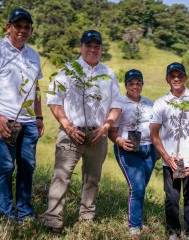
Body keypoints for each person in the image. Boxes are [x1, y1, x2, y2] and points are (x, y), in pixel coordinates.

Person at [44, 30, 122, 232]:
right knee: (61, 177)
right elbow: (54, 101)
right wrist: (67, 126)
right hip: (71, 134)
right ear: (81, 47)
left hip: (98, 134)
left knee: (92, 179)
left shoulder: (109, 74)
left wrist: (106, 126)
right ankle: (53, 221)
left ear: (101, 49)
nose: (93, 49)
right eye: (89, 45)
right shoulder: (67, 71)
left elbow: (116, 105)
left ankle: (86, 218)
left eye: (97, 46)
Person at [0, 8, 44, 222]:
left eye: (26, 27)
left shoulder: (33, 55)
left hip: (29, 122)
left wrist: (39, 117)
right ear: (9, 27)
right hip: (5, 119)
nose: (22, 30)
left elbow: (37, 88)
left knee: (28, 166)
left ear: (31, 31)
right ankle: (6, 214)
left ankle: (25, 212)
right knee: (6, 166)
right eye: (18, 26)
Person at [150, 62, 189, 240]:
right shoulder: (161, 103)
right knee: (171, 199)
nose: (176, 79)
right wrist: (167, 157)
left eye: (180, 76)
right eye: (172, 76)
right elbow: (154, 133)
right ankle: (173, 232)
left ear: (185, 78)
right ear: (167, 79)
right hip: (171, 161)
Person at [108, 69, 157, 237]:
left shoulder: (149, 103)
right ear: (126, 85)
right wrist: (120, 141)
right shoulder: (119, 103)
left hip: (149, 149)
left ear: (142, 84)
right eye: (131, 83)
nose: (135, 86)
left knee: (142, 187)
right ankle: (134, 225)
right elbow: (111, 131)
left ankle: (139, 219)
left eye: (138, 83)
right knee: (136, 188)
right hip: (128, 149)